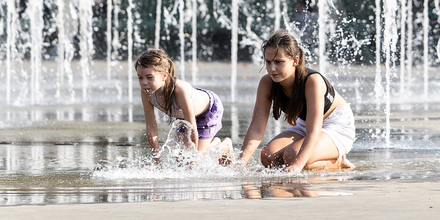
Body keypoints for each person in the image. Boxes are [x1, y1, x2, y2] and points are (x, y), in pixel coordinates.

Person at [238, 30, 356, 171]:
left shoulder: (312, 81)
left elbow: (314, 131)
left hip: (336, 125)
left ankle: (337, 162)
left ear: (295, 60)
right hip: (306, 124)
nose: (271, 68)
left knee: (292, 156)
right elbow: (257, 128)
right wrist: (240, 162)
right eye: (268, 62)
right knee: (268, 156)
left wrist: (297, 165)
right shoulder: (267, 83)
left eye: (278, 62)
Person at [135, 49, 233, 162]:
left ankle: (222, 146)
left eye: (149, 77)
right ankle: (210, 147)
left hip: (209, 110)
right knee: (181, 160)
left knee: (197, 161)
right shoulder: (146, 92)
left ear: (164, 76)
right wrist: (157, 160)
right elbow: (151, 128)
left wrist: (194, 159)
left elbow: (192, 127)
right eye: (140, 77)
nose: (144, 82)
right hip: (184, 116)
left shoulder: (179, 90)